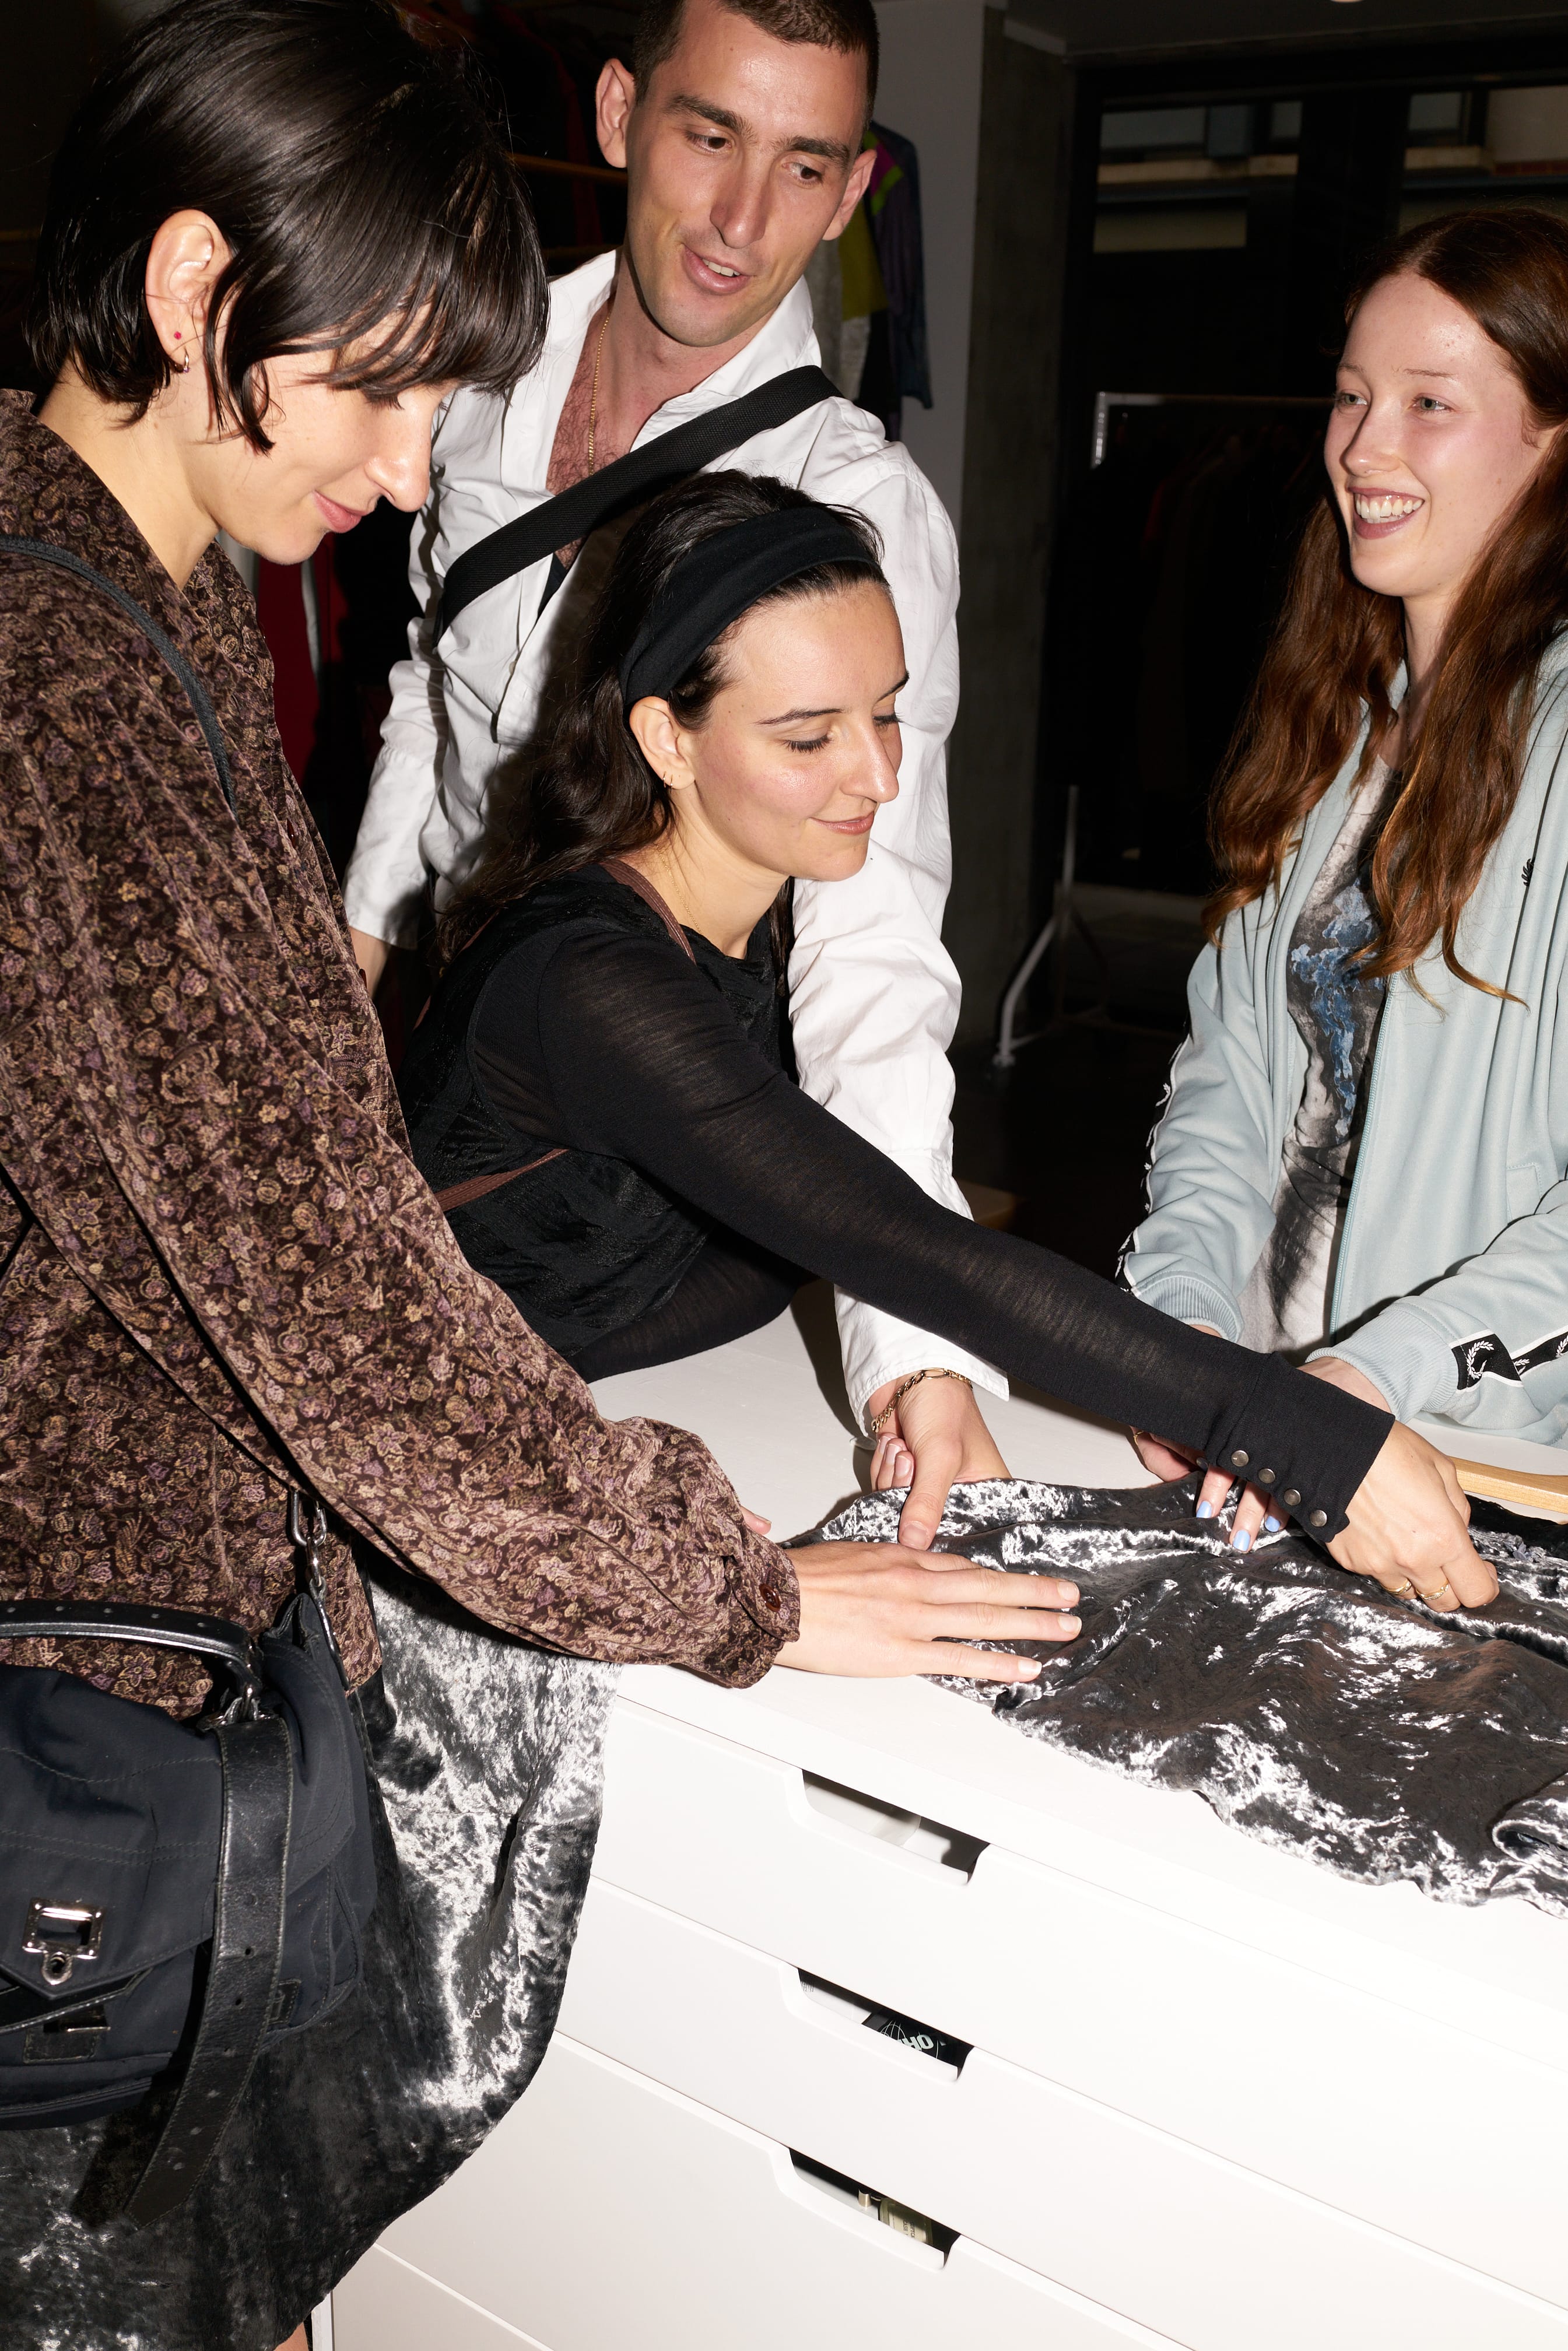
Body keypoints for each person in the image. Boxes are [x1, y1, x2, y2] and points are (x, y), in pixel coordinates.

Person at [0, 7, 1087, 2345]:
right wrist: (743, 1594)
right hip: (92, 1690)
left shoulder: (139, 551)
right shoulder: (59, 662)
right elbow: (329, 1318)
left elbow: (873, 973)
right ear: (201, 291)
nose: (414, 471)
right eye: (385, 395)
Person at [399, 465, 1491, 1623]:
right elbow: (899, 1242)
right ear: (668, 739)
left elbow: (818, 1229)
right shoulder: (590, 982)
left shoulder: (775, 924)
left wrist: (902, 1371)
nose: (876, 776)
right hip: (412, 1513)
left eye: (886, 713)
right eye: (808, 737)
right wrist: (1305, 1439)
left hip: (581, 1441)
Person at [342, 0, 1006, 1555]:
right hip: (449, 1075)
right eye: (709, 137)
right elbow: (428, 690)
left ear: (850, 198)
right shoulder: (479, 373)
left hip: (632, 1163)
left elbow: (873, 946)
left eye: (800, 168)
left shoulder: (848, 505)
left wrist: (916, 1349)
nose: (737, 220)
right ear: (619, 111)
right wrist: (354, 956)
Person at [1124, 208, 1568, 1556]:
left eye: (1430, 403)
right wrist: (1181, 1329)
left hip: (1475, 1477)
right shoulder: (1339, 719)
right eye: (1353, 396)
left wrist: (1376, 1382)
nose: (1363, 448)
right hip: (1259, 1452)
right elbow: (1233, 1069)